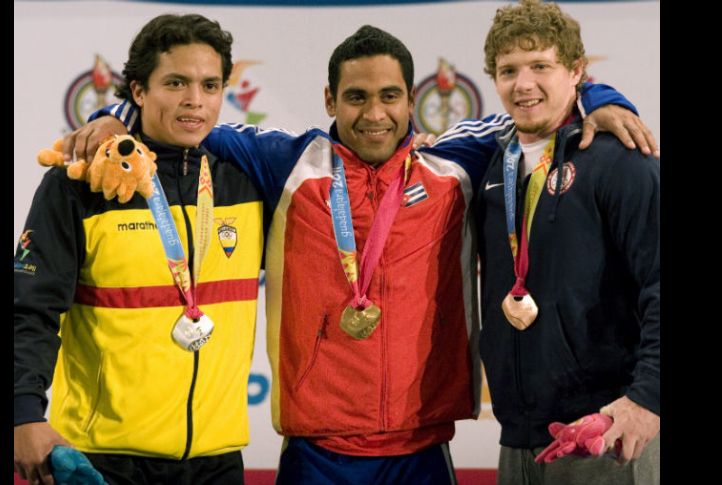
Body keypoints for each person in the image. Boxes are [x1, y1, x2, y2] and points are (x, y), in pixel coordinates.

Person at [66, 24, 655, 484]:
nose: (375, 114)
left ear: (412, 99)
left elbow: (539, 107)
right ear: (330, 97)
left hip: (423, 449)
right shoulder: (288, 162)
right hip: (318, 455)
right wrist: (107, 116)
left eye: (390, 96)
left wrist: (600, 96)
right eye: (356, 96)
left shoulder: (457, 161)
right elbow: (184, 123)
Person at [13, 14, 266, 485]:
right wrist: (23, 413)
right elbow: (30, 309)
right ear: (137, 92)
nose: (195, 101)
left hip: (218, 462)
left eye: (210, 85)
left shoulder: (247, 180)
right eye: (176, 83)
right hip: (102, 460)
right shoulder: (82, 183)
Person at [458, 1, 659, 483]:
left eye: (540, 66)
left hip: (606, 435)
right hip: (519, 439)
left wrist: (648, 401)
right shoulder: (491, 169)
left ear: (577, 73)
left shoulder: (624, 163)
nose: (523, 84)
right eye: (508, 70)